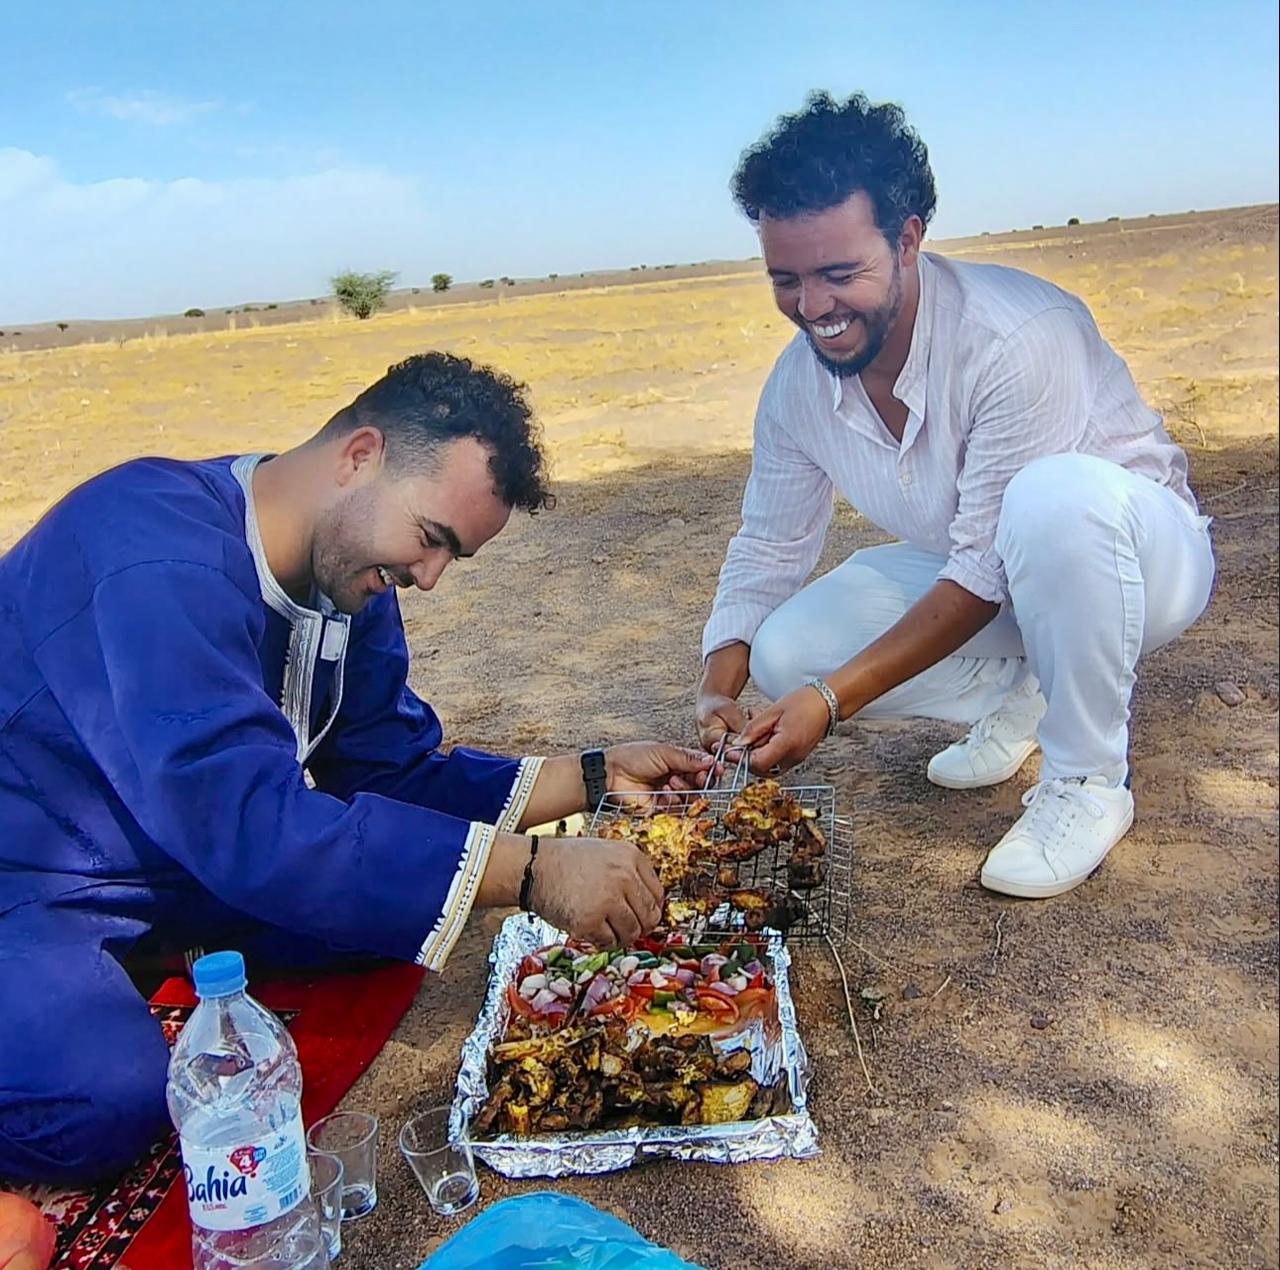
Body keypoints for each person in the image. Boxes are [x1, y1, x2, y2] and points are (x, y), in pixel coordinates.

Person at [0, 352, 713, 1185]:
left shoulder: (348, 582)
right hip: (32, 872)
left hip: (171, 861)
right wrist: (530, 871)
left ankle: (159, 951)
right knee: (102, 1101)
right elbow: (250, 823)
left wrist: (590, 775)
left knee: (384, 924)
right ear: (359, 456)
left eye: (453, 559)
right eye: (431, 538)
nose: (430, 578)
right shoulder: (153, 547)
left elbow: (389, 774)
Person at [696, 92, 1215, 900]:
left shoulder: (1013, 336)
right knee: (784, 651)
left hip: (1136, 563)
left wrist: (832, 704)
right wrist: (715, 690)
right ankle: (1027, 692)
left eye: (839, 273)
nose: (814, 308)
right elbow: (769, 543)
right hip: (994, 571)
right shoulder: (796, 386)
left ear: (908, 240)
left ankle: (1086, 781)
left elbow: (984, 565)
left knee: (1051, 501)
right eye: (786, 279)